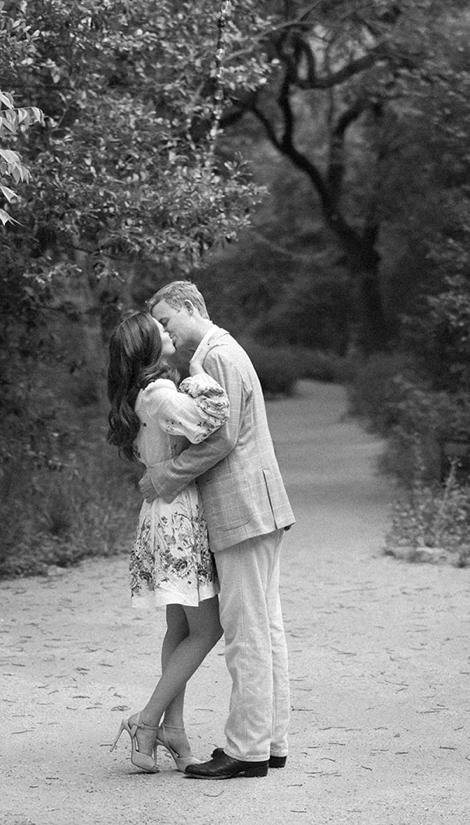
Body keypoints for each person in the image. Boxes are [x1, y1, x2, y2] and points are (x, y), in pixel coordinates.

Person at [141, 281, 295, 780]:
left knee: (246, 633)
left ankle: (246, 751)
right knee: (264, 629)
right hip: (255, 508)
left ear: (190, 307)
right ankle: (270, 742)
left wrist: (164, 476)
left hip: (242, 510)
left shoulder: (217, 355)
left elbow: (223, 437)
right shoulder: (218, 352)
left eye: (167, 320)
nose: (164, 331)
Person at [105, 311, 228, 773]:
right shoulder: (158, 392)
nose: (167, 330)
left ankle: (172, 730)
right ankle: (148, 720)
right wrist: (199, 376)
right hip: (176, 516)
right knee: (208, 628)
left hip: (167, 512)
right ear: (147, 347)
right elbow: (209, 421)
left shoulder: (149, 391)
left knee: (179, 630)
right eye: (158, 329)